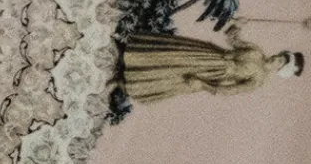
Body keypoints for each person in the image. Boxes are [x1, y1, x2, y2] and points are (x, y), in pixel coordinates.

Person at [121, 22, 304, 103]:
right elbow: (233, 39)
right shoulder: (257, 51)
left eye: (280, 62)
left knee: (173, 75)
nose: (276, 58)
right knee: (173, 54)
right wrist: (238, 25)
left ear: (280, 69)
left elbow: (228, 90)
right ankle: (131, 55)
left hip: (211, 74)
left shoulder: (258, 80)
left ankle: (131, 79)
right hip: (209, 54)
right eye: (280, 56)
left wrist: (202, 84)